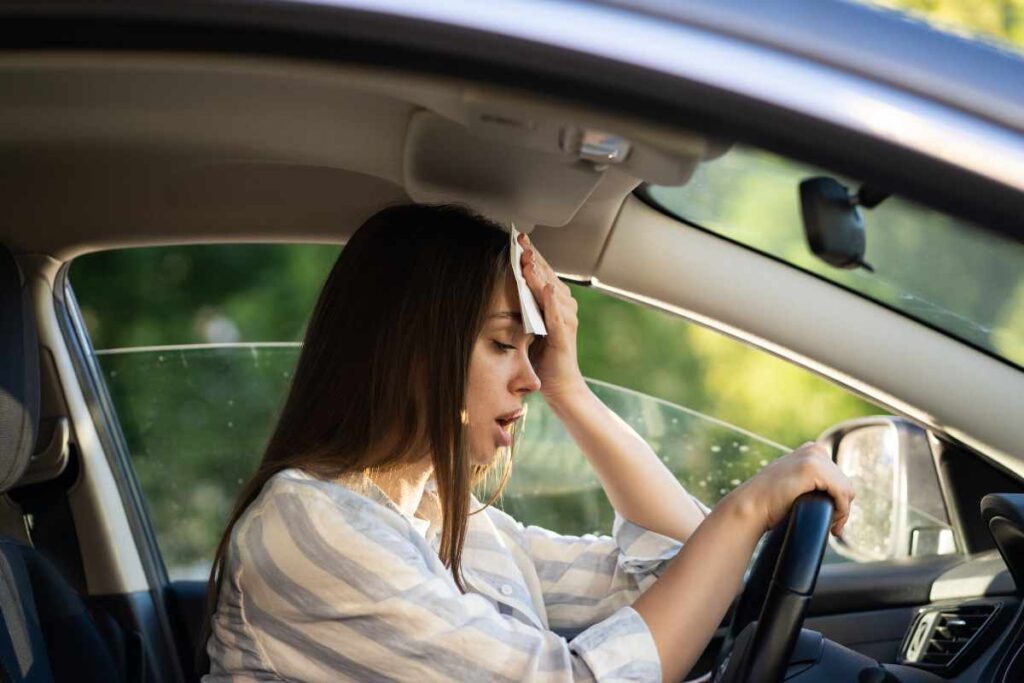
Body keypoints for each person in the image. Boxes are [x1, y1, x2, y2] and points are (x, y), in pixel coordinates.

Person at [202, 203, 854, 682]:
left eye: (533, 349)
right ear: (416, 353)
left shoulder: (456, 523)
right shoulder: (309, 522)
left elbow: (687, 571)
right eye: (502, 344)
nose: (529, 376)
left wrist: (571, 389)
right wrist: (748, 508)